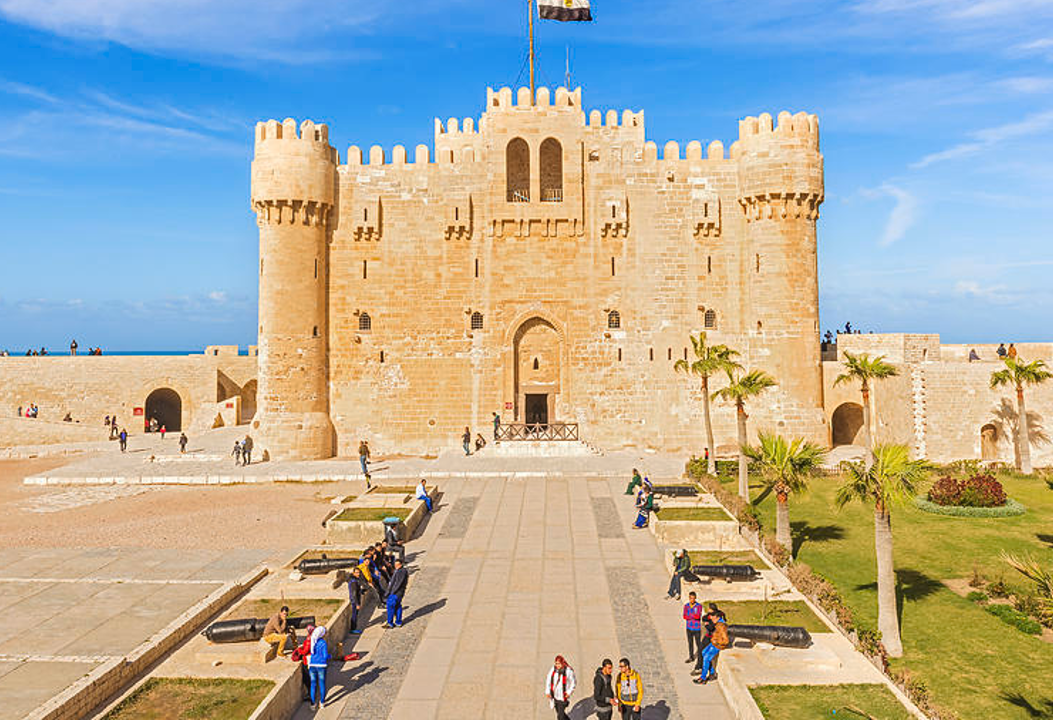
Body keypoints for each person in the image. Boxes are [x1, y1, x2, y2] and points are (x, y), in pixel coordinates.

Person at [694, 611, 729, 684]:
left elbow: (726, 641)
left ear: (717, 617)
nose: (711, 619)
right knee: (703, 652)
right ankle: (712, 672)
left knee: (706, 658)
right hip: (713, 643)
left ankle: (703, 678)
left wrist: (717, 642)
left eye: (713, 618)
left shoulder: (721, 626)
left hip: (716, 645)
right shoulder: (718, 623)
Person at [544, 655, 576, 720]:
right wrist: (547, 691)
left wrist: (568, 693)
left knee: (560, 717)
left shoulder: (568, 671)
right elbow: (548, 680)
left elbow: (573, 683)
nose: (557, 665)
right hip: (554, 696)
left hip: (562, 697)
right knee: (559, 713)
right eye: (556, 663)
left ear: (562, 663)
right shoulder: (553, 670)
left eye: (559, 664)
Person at [290, 623, 315, 701]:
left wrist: (299, 649)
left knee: (307, 678)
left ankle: (311, 696)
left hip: (307, 661)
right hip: (313, 659)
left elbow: (304, 651)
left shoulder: (309, 640)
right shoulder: (315, 638)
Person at [307, 626, 329, 709]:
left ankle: (312, 704)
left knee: (313, 684)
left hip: (312, 665)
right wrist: (330, 656)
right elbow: (325, 656)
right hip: (321, 666)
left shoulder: (313, 641)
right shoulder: (323, 643)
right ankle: (322, 703)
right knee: (322, 684)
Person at [384, 557, 408, 629]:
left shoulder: (401, 571)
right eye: (395, 564)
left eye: (397, 564)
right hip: (398, 593)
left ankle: (390, 623)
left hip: (396, 593)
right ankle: (398, 622)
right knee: (398, 606)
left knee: (390, 606)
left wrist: (391, 592)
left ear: (401, 564)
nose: (395, 566)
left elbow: (398, 583)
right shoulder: (399, 570)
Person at [683, 591, 704, 665]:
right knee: (690, 643)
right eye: (690, 598)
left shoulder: (699, 606)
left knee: (698, 644)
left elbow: (697, 616)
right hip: (689, 627)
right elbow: (684, 616)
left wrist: (690, 615)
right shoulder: (686, 606)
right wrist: (693, 615)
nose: (692, 600)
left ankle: (700, 658)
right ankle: (691, 656)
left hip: (696, 628)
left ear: (695, 598)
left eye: (693, 598)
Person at [347, 567, 365, 635]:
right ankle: (353, 629)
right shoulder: (353, 582)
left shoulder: (355, 580)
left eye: (359, 572)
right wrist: (357, 603)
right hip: (355, 600)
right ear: (353, 573)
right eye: (356, 572)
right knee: (354, 614)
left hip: (355, 599)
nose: (358, 574)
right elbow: (354, 593)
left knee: (355, 614)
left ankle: (354, 628)